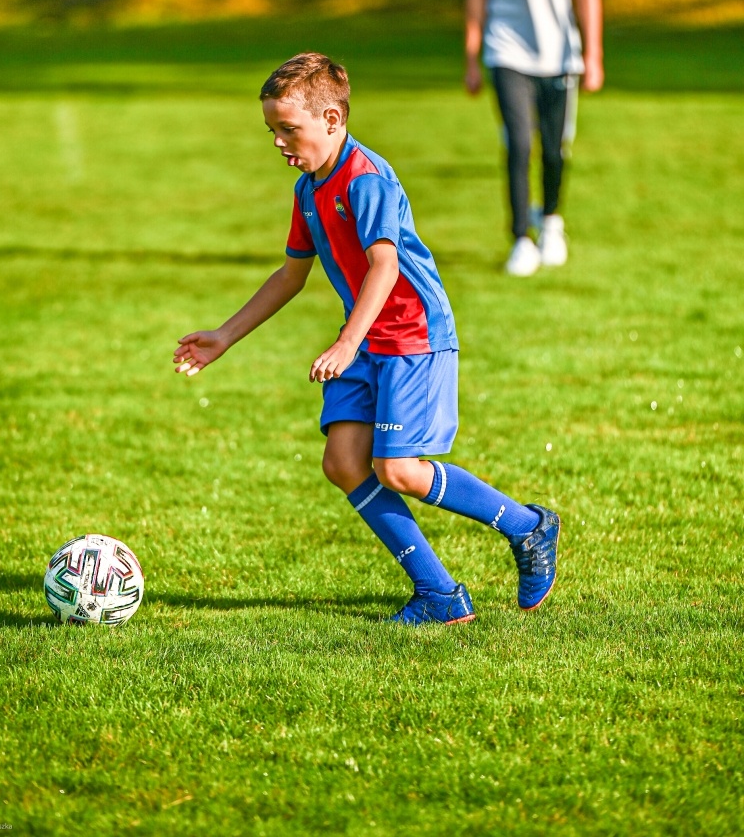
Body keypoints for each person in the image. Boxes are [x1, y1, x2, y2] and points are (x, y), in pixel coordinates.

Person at [172, 52, 559, 625]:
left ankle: (529, 528)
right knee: (344, 462)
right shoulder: (308, 190)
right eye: (271, 130)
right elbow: (291, 275)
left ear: (331, 119)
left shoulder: (365, 178)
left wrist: (348, 344)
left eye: (288, 129)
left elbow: (384, 266)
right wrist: (224, 337)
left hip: (411, 335)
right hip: (365, 336)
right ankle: (439, 594)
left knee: (398, 469)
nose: (279, 142)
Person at [460, 0, 604, 277]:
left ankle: (553, 222)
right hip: (507, 51)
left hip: (560, 55)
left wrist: (593, 54)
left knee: (555, 148)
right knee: (519, 144)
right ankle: (521, 237)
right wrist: (472, 55)